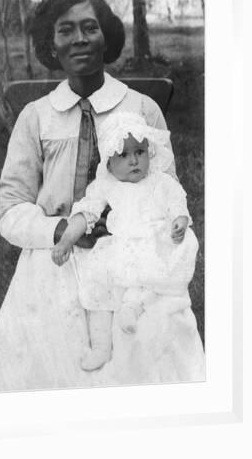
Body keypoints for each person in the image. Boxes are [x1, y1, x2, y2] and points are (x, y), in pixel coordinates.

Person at [0, 0, 205, 393]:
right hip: (54, 261)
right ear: (51, 44)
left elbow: (167, 191)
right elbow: (9, 210)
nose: (79, 38)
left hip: (134, 262)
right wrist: (60, 230)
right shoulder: (36, 117)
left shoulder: (142, 109)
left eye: (89, 27)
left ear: (105, 37)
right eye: (65, 30)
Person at [51, 111, 200, 372]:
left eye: (140, 152)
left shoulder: (159, 181)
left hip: (154, 241)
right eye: (123, 154)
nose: (134, 160)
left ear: (149, 152)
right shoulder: (106, 186)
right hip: (121, 244)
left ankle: (135, 304)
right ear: (109, 163)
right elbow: (85, 213)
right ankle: (101, 345)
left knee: (153, 272)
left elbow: (177, 201)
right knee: (97, 280)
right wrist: (65, 240)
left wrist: (180, 220)